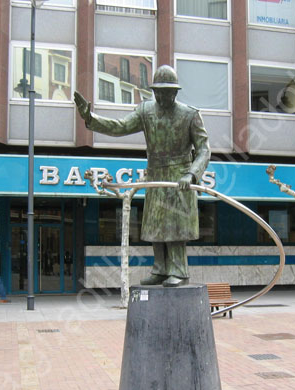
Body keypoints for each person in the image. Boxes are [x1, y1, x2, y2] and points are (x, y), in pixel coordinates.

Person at [74, 65, 211, 287]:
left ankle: (179, 271)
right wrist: (91, 118)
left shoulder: (190, 114)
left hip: (179, 175)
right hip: (155, 173)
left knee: (175, 226)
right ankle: (160, 269)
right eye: (157, 91)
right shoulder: (146, 111)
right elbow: (120, 127)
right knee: (156, 225)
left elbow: (204, 150)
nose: (161, 96)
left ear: (175, 92)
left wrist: (192, 175)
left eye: (166, 92)